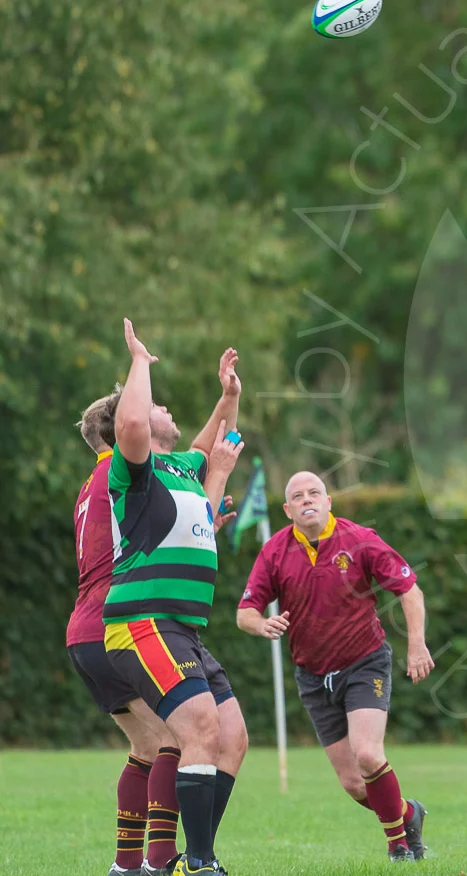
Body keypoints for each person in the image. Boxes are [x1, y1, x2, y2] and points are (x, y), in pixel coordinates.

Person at [102, 320, 248, 876]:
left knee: (231, 738)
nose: (164, 409)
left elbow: (215, 442)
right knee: (200, 727)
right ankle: (200, 864)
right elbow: (131, 421)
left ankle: (193, 856)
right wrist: (139, 360)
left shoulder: (182, 467)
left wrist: (228, 396)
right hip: (144, 622)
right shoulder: (134, 469)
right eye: (156, 405)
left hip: (182, 628)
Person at [236, 471, 433, 862]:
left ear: (328, 501)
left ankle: (398, 846)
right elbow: (245, 613)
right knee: (354, 784)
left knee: (369, 755)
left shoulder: (360, 540)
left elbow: (410, 591)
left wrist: (416, 645)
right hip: (312, 676)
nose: (307, 500)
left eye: (315, 493)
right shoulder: (275, 551)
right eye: (298, 496)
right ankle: (409, 814)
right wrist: (261, 625)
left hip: (364, 663)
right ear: (287, 509)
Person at [72, 389, 182, 876]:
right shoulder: (122, 473)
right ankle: (161, 862)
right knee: (175, 737)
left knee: (147, 747)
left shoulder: (89, 483)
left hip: (83, 632)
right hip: (111, 626)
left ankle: (126, 865)